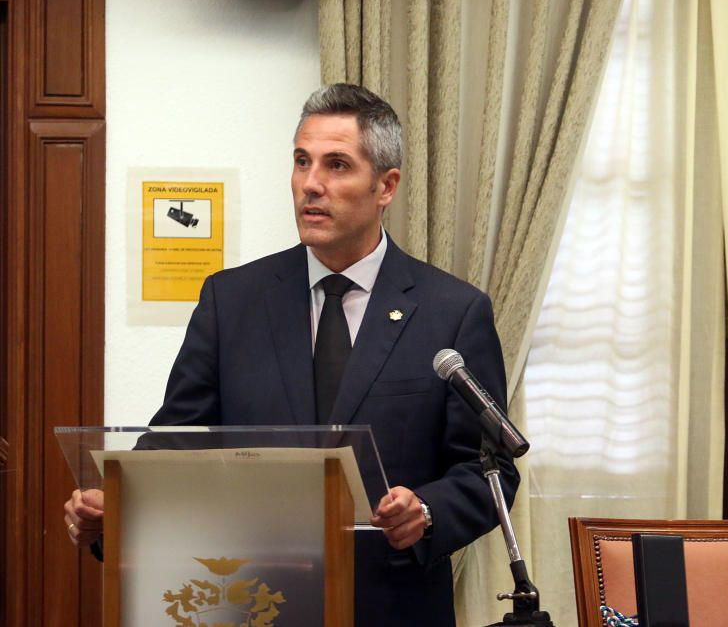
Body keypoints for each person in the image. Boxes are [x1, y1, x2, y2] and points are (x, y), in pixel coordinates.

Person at [63, 83, 519, 626]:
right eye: (302, 162)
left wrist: (426, 511)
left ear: (386, 186)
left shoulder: (453, 311)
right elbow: (175, 445)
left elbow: (488, 470)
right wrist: (112, 509)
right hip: (248, 603)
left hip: (391, 605)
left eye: (337, 165)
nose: (310, 184)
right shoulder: (231, 300)